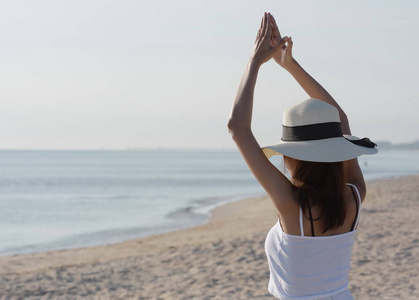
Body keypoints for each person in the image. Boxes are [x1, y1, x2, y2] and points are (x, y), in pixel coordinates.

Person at [227, 12, 378, 300]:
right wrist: (290, 66)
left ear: (292, 157)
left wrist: (254, 63)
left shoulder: (292, 205)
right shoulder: (354, 196)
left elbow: (237, 127)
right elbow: (341, 120)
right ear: (337, 150)